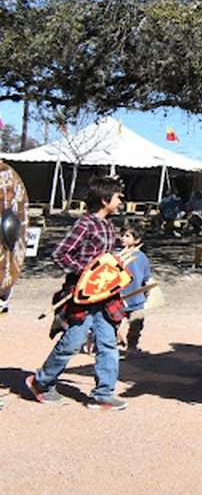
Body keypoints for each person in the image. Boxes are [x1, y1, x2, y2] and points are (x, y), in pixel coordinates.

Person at [26, 175, 129, 409]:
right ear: (105, 200)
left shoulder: (109, 225)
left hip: (105, 296)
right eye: (117, 197)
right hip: (82, 295)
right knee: (73, 342)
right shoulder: (85, 224)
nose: (120, 202)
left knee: (108, 343)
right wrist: (86, 273)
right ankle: (41, 382)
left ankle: (103, 393)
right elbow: (60, 254)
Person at [118, 223, 152, 357]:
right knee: (113, 323)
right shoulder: (117, 255)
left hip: (136, 298)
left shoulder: (141, 257)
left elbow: (146, 277)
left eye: (127, 236)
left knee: (136, 324)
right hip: (119, 297)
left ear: (137, 240)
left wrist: (147, 291)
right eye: (122, 235)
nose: (123, 238)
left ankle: (132, 347)